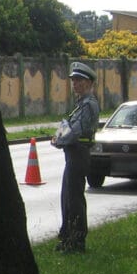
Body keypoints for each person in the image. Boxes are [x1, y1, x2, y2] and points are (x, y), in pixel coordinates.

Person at [51, 62, 99, 253]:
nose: (75, 84)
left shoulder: (89, 105)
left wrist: (60, 141)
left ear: (88, 82)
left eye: (78, 80)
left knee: (74, 198)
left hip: (79, 153)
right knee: (67, 197)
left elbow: (76, 132)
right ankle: (68, 236)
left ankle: (77, 240)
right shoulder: (81, 105)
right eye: (73, 81)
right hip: (73, 153)